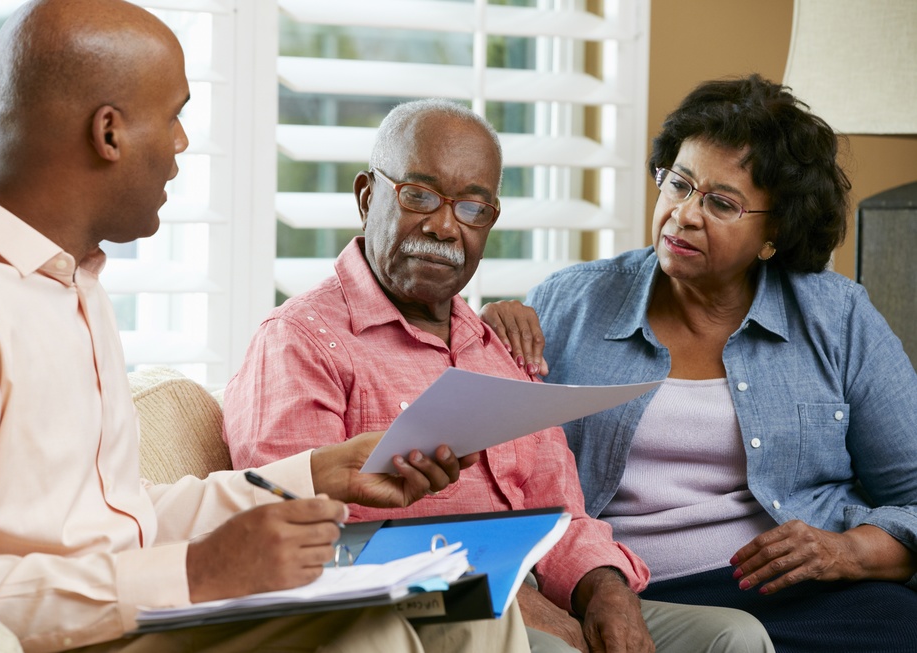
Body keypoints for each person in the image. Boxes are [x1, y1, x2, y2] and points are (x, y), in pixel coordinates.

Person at [0, 2, 535, 652]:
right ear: (109, 133)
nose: (183, 144)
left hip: (127, 616)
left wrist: (319, 473)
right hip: (49, 640)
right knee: (370, 630)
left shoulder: (70, 279)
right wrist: (194, 572)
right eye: (175, 117)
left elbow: (118, 518)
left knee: (474, 599)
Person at [223, 98, 775, 653]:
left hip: (533, 598)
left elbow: (563, 515)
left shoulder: (499, 349)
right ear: (368, 197)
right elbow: (296, 540)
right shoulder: (301, 340)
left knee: (733, 636)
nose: (443, 227)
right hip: (411, 615)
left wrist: (609, 595)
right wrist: (501, 594)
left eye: (472, 208)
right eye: (418, 196)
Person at [480, 74, 917, 652]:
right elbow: (488, 461)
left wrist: (847, 551)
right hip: (630, 595)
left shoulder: (836, 318)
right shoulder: (571, 303)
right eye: (678, 184)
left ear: (776, 230)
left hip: (802, 595)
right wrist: (478, 332)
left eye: (720, 202)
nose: (683, 215)